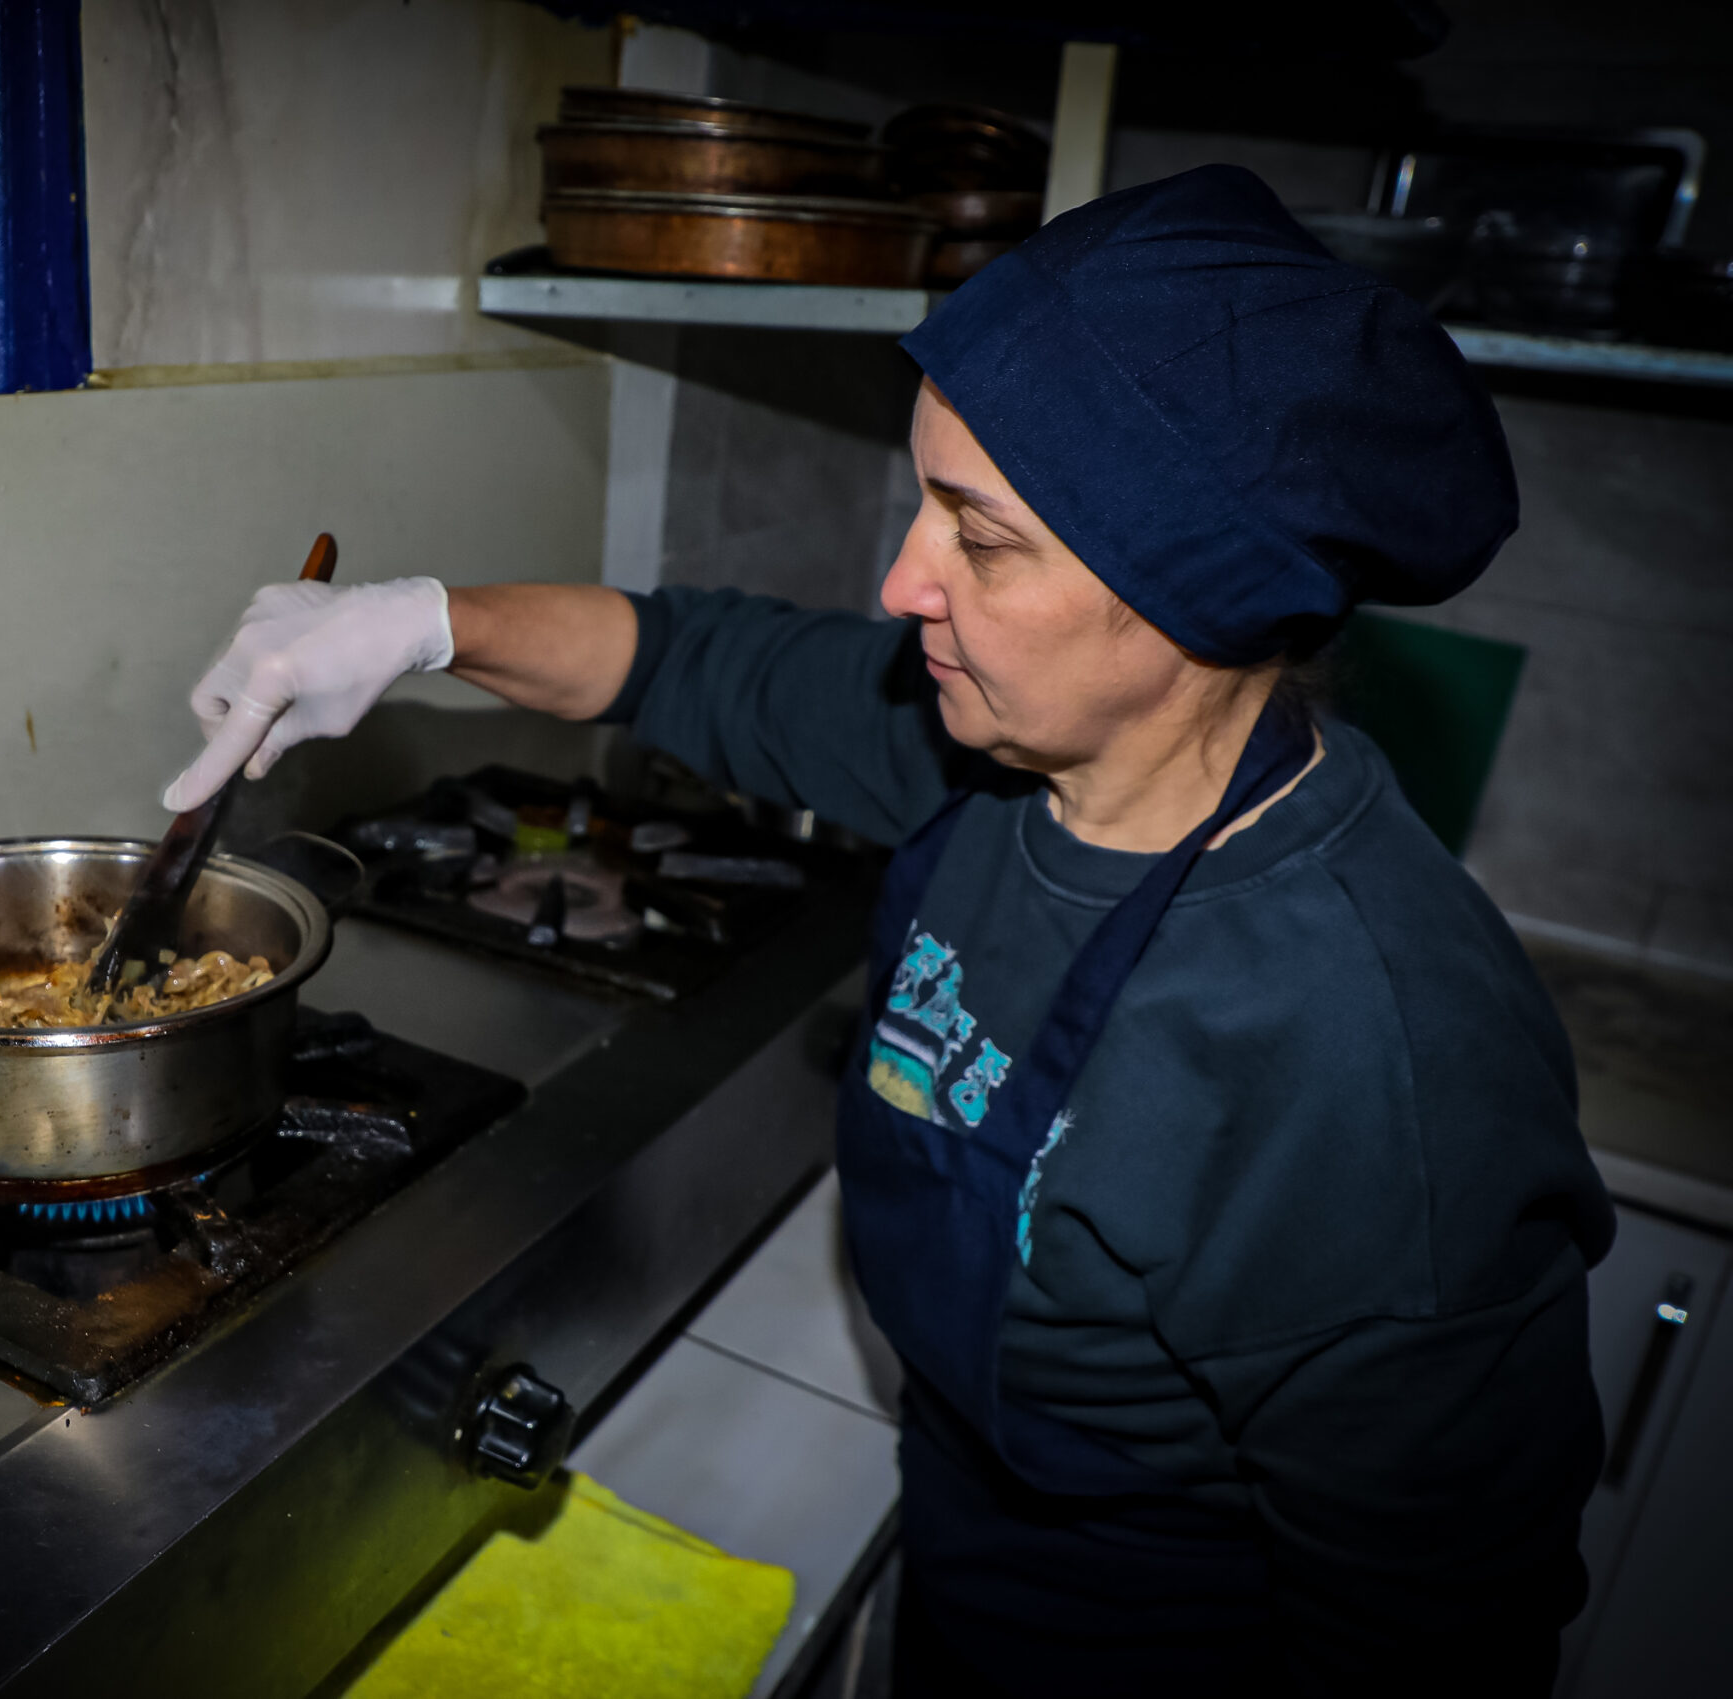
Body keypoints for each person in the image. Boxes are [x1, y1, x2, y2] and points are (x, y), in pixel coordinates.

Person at [161, 167, 1612, 1695]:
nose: (901, 580)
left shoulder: (1371, 1067)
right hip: (968, 1538)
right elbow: (692, 660)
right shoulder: (985, 741)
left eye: (981, 540)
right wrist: (423, 622)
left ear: (1205, 597)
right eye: (926, 498)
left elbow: (1444, 1626)